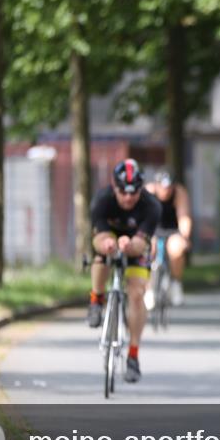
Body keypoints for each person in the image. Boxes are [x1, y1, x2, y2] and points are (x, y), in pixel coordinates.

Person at [87, 159, 162, 383]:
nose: (128, 197)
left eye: (134, 192)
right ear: (114, 186)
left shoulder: (152, 206)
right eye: (122, 191)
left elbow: (142, 243)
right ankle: (96, 299)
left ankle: (133, 355)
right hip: (108, 240)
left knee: (137, 294)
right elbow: (99, 236)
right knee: (102, 256)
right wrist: (109, 244)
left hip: (135, 245)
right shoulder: (102, 200)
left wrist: (130, 245)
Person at [144, 171, 192, 307]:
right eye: (163, 187)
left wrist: (185, 237)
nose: (166, 191)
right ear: (156, 185)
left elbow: (184, 218)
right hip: (152, 230)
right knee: (148, 249)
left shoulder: (179, 193)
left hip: (172, 230)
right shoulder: (147, 193)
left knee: (176, 249)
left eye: (169, 187)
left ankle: (176, 283)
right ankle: (149, 289)